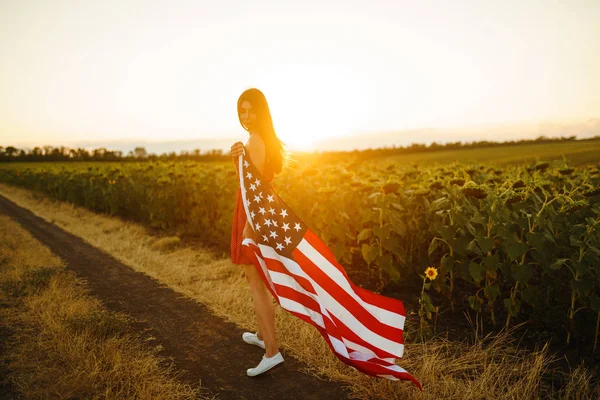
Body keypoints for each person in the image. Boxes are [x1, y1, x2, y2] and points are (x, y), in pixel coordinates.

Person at [230, 88, 291, 376]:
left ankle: (272, 352)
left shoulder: (255, 140)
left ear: (261, 111)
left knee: (256, 285)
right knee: (258, 281)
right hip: (260, 210)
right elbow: (253, 179)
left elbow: (254, 191)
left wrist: (249, 228)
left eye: (251, 110)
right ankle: (262, 335)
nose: (246, 116)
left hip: (254, 214)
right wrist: (237, 161)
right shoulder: (262, 139)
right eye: (242, 111)